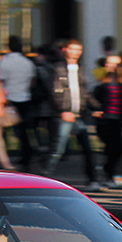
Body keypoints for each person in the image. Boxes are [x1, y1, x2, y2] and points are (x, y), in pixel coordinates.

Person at [46, 39, 100, 189]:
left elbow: (85, 92)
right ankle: (43, 177)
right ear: (65, 50)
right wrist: (62, 111)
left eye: (78, 49)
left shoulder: (80, 69)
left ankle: (93, 179)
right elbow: (54, 92)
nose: (76, 52)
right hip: (64, 115)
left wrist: (96, 107)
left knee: (88, 149)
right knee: (57, 150)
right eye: (73, 49)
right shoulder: (58, 69)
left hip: (79, 114)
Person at [0, 36, 36, 169]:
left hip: (9, 98)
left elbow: (0, 81)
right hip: (25, 98)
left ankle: (2, 158)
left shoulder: (4, 62)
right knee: (24, 131)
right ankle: (26, 156)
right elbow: (32, 81)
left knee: (4, 130)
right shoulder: (28, 62)